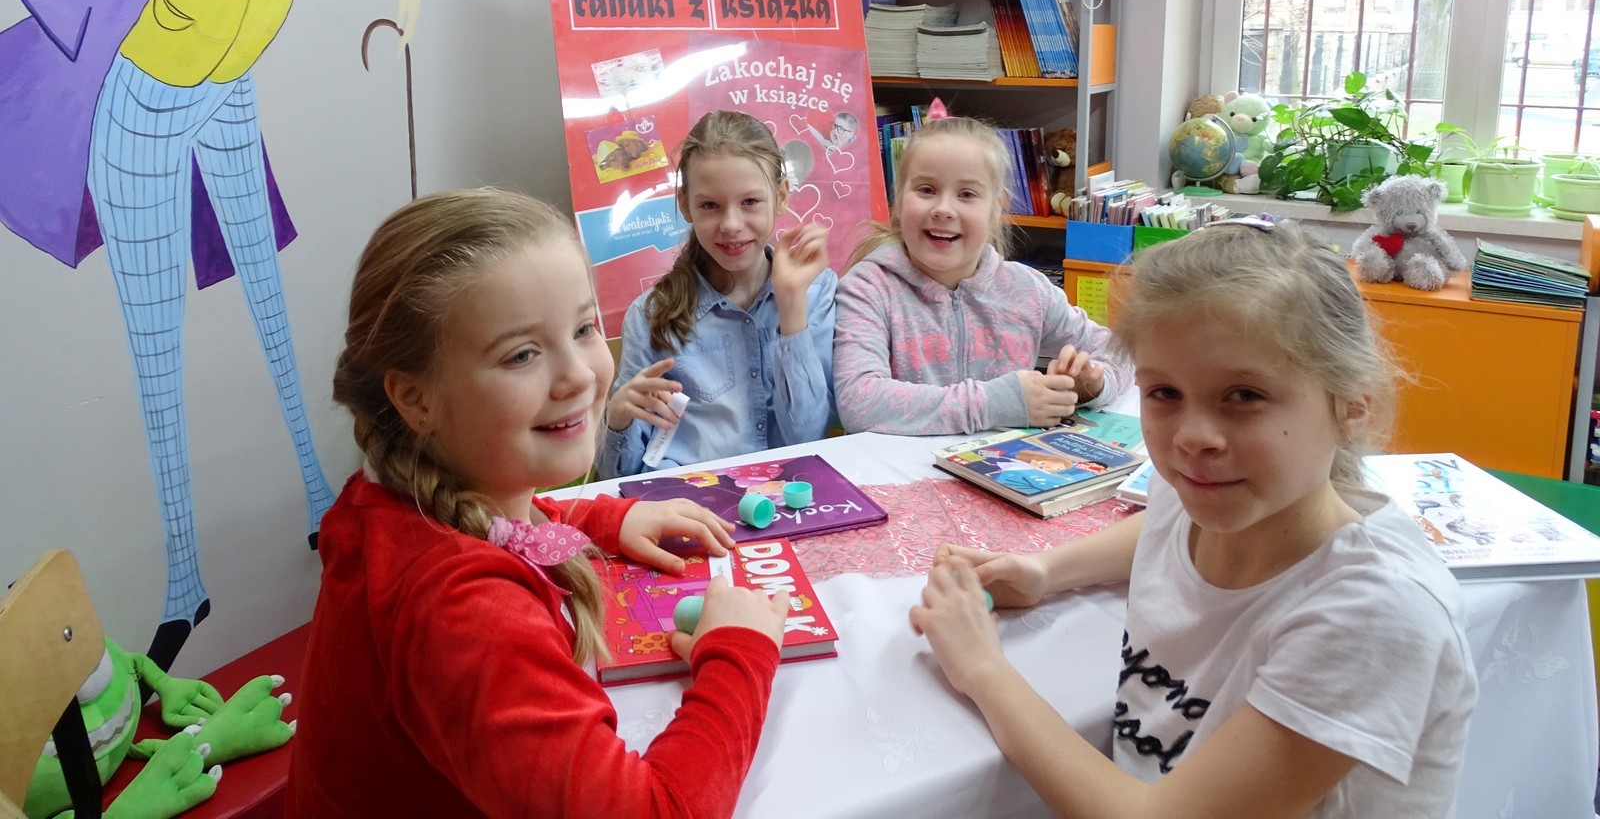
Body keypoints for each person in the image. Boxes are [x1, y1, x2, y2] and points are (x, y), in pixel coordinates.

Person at [0, 0, 420, 667]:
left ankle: (319, 499)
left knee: (272, 303)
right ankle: (184, 575)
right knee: (160, 348)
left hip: (228, 83)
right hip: (148, 87)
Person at [909, 219, 1477, 819]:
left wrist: (981, 668)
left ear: (1351, 405)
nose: (1192, 436)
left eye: (1245, 395)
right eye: (1164, 393)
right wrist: (1046, 570)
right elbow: (1165, 523)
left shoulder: (1373, 612)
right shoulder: (1207, 491)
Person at [288, 189, 790, 819]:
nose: (580, 375)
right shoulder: (463, 614)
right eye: (522, 354)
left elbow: (487, 522)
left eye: (583, 329)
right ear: (415, 399)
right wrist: (740, 653)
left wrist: (605, 517)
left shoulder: (391, 495)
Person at [833, 115, 1131, 436]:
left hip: (1007, 465)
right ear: (899, 200)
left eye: (967, 194)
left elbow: (1121, 353)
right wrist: (993, 403)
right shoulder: (869, 288)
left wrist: (1094, 382)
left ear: (996, 209)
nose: (944, 209)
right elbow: (858, 401)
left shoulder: (1026, 289)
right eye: (926, 190)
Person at [596, 111, 836, 479]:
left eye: (750, 201)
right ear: (685, 204)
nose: (731, 225)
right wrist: (617, 417)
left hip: (787, 495)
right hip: (687, 498)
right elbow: (621, 476)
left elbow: (807, 438)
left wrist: (791, 305)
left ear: (781, 196)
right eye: (710, 205)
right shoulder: (650, 316)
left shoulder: (815, 290)